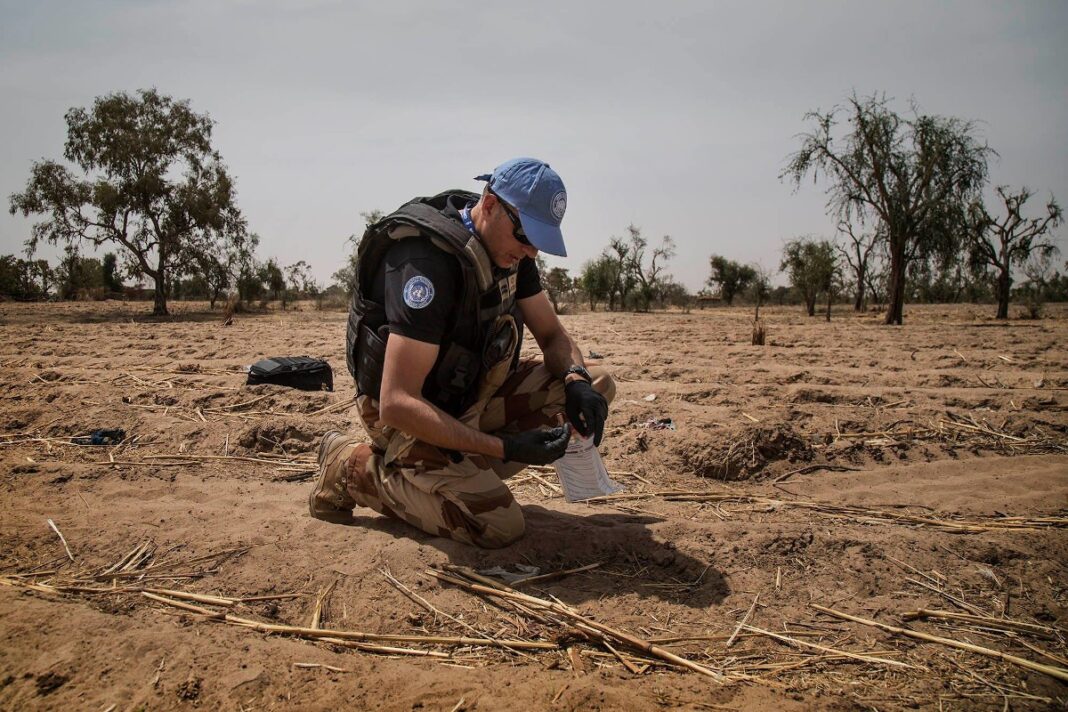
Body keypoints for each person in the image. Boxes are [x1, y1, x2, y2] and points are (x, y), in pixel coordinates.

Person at [309, 157, 615, 548]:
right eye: (525, 236)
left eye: (538, 242)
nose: (530, 252)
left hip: (470, 394)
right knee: (498, 525)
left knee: (598, 384)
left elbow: (553, 335)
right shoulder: (428, 263)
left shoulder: (512, 253)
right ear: (489, 205)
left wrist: (576, 381)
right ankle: (352, 469)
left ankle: (458, 467)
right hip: (409, 415)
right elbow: (396, 402)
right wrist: (505, 448)